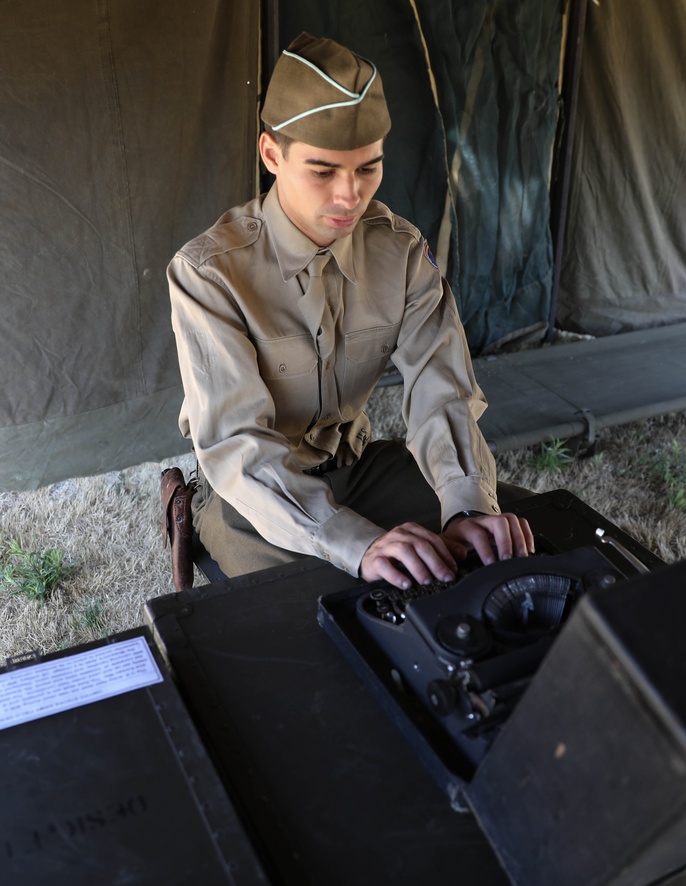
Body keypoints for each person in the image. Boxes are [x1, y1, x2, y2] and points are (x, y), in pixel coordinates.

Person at [167, 32, 533, 590]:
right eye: (323, 171)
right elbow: (239, 447)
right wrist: (356, 543)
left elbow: (442, 391)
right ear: (271, 154)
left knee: (504, 553)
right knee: (324, 615)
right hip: (254, 499)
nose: (350, 196)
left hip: (357, 470)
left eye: (368, 169)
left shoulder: (402, 253)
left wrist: (465, 508)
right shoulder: (209, 274)